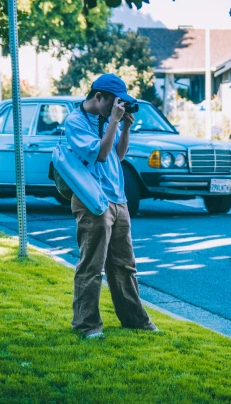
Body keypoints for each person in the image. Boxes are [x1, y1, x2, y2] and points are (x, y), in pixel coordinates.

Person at [64, 73, 158, 339]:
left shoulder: (109, 120)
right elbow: (101, 153)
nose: (117, 107)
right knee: (91, 266)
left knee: (125, 265)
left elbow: (117, 155)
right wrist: (114, 123)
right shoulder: (75, 122)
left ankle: (135, 320)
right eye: (115, 102)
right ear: (98, 97)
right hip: (92, 200)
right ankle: (86, 325)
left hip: (118, 199)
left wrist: (124, 126)